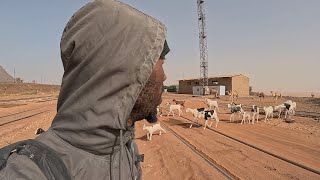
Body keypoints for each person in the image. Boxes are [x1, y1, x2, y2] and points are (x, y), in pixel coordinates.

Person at [0, 0, 169, 179]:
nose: (165, 77)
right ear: (126, 73)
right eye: (161, 65)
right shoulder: (29, 173)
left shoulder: (125, 148)